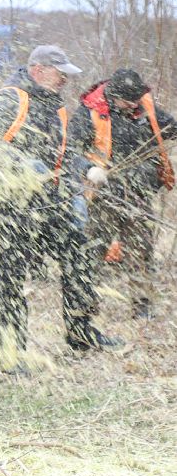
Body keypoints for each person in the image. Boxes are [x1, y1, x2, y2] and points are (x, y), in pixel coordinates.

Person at [0, 45, 119, 373]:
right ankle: (7, 354)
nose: (64, 78)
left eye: (66, 72)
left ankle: (81, 332)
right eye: (59, 71)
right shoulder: (11, 98)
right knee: (12, 277)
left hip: (49, 203)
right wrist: (22, 163)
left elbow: (60, 155)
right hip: (8, 205)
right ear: (38, 70)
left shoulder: (57, 108)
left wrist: (86, 167)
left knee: (79, 254)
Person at [73, 67, 176, 320]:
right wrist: (89, 169)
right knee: (94, 249)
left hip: (139, 193)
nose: (133, 106)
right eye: (127, 102)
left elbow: (171, 128)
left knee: (141, 250)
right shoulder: (90, 111)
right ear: (113, 96)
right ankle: (85, 304)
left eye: (135, 101)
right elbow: (67, 149)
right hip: (103, 194)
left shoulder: (144, 106)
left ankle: (142, 307)